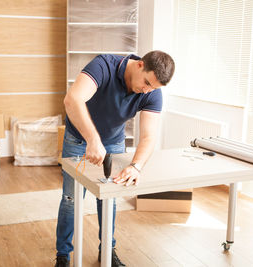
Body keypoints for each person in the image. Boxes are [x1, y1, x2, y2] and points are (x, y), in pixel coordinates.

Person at [55, 51, 175, 267]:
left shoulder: (152, 92)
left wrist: (136, 166)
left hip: (114, 143)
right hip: (78, 140)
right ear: (139, 65)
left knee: (108, 198)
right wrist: (92, 139)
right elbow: (72, 99)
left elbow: (149, 136)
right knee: (70, 200)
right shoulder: (104, 66)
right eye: (147, 83)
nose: (147, 90)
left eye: (153, 88)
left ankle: (107, 252)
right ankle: (63, 254)